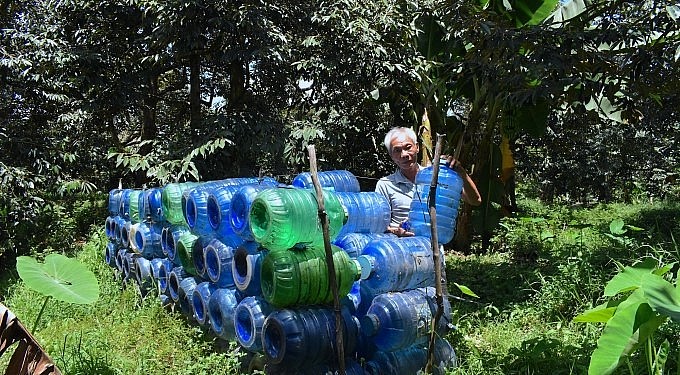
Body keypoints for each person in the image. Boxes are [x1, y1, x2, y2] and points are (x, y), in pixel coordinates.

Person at [375, 127, 482, 237]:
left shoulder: (437, 177)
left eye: (408, 147)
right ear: (391, 156)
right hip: (401, 249)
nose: (404, 154)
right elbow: (377, 226)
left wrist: (461, 172)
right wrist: (396, 231)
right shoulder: (385, 184)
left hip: (432, 249)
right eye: (397, 150)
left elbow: (475, 200)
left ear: (417, 147)